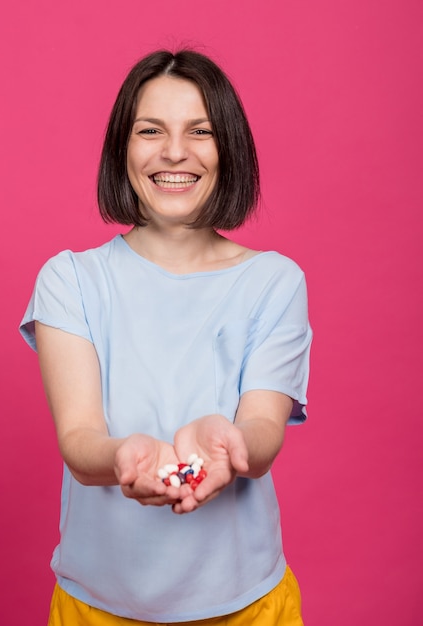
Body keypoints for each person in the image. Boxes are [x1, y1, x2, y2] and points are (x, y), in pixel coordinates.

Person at [20, 49, 312, 626]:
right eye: (150, 130)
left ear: (229, 148)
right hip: (96, 606)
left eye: (199, 132)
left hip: (248, 604)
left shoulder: (275, 280)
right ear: (121, 150)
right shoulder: (71, 279)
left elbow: (263, 428)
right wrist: (125, 458)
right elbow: (80, 440)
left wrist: (230, 445)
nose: (174, 152)